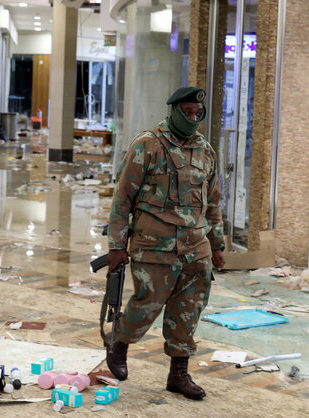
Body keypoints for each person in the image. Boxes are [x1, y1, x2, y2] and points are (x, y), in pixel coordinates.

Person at [105, 86, 225, 401]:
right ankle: (119, 345)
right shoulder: (147, 145)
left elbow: (213, 202)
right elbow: (122, 200)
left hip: (196, 248)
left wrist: (219, 244)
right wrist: (117, 246)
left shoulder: (205, 150)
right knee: (146, 305)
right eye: (187, 112)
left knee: (188, 311)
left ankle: (179, 374)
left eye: (198, 113)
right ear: (173, 110)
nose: (193, 117)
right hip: (153, 246)